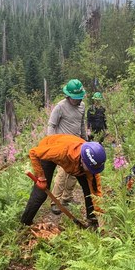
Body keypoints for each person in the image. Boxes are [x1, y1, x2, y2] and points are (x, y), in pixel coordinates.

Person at [21, 135, 105, 228]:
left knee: (90, 191)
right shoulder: (60, 151)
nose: (91, 171)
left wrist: (99, 214)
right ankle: (25, 223)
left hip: (76, 162)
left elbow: (96, 193)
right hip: (50, 148)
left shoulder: (93, 163)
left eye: (93, 169)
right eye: (90, 168)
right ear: (83, 160)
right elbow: (33, 153)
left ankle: (93, 222)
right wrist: (41, 177)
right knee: (40, 194)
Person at [46, 79, 87, 214]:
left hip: (77, 145)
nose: (78, 101)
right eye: (75, 98)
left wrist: (85, 141)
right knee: (63, 173)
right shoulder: (60, 107)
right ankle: (55, 201)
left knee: (75, 172)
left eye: (79, 98)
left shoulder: (82, 106)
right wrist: (51, 143)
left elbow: (81, 125)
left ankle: (67, 198)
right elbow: (51, 125)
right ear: (68, 96)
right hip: (63, 146)